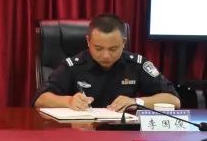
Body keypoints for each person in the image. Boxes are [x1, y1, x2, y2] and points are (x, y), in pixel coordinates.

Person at [34, 13, 181, 111]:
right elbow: (40, 99)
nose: (106, 55)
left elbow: (174, 100)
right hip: (82, 135)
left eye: (113, 49)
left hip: (123, 137)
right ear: (88, 41)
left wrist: (136, 102)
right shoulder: (73, 65)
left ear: (124, 42)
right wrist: (69, 101)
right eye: (98, 48)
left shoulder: (136, 64)